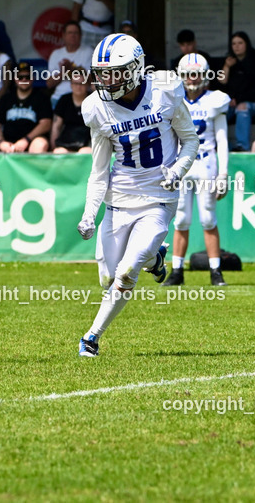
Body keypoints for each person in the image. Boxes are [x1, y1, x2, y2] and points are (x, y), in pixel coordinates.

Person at [76, 33, 199, 357]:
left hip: (158, 196)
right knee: (107, 277)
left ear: (134, 67)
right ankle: (156, 257)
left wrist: (177, 171)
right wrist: (89, 213)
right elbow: (100, 171)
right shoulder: (97, 108)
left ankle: (91, 337)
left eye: (114, 72)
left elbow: (190, 140)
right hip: (119, 200)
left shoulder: (165, 90)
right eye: (102, 72)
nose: (107, 79)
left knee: (127, 272)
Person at [165, 53, 231, 287]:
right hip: (182, 165)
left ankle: (215, 271)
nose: (192, 79)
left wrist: (224, 173)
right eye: (188, 74)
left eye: (196, 74)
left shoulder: (215, 100)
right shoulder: (174, 100)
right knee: (181, 219)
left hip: (206, 163)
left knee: (207, 218)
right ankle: (176, 271)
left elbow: (222, 141)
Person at [0, 62, 52, 154]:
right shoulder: (6, 98)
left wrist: (25, 140)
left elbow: (45, 124)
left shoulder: (42, 98)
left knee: (39, 145)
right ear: (15, 79)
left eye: (27, 77)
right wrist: (2, 142)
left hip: (32, 140)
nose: (24, 79)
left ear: (33, 78)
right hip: (8, 141)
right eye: (20, 77)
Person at [217, 31, 255, 152]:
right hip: (232, 102)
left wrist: (239, 99)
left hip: (252, 102)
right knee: (217, 114)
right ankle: (224, 148)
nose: (237, 46)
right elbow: (222, 83)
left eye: (240, 43)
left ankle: (243, 147)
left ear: (247, 44)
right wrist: (227, 67)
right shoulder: (229, 61)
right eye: (234, 44)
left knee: (242, 109)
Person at [45, 21, 93, 107]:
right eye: (70, 33)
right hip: (59, 97)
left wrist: (72, 69)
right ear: (63, 35)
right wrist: (64, 72)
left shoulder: (88, 52)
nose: (73, 35)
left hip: (82, 97)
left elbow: (91, 81)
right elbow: (49, 84)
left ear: (81, 35)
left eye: (76, 33)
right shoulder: (56, 54)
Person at [51, 71, 93, 154]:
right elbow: (56, 126)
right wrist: (53, 146)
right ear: (71, 85)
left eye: (82, 83)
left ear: (87, 85)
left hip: (88, 141)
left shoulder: (93, 100)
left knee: (84, 152)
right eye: (75, 83)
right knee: (59, 152)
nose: (78, 86)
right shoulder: (64, 100)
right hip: (67, 141)